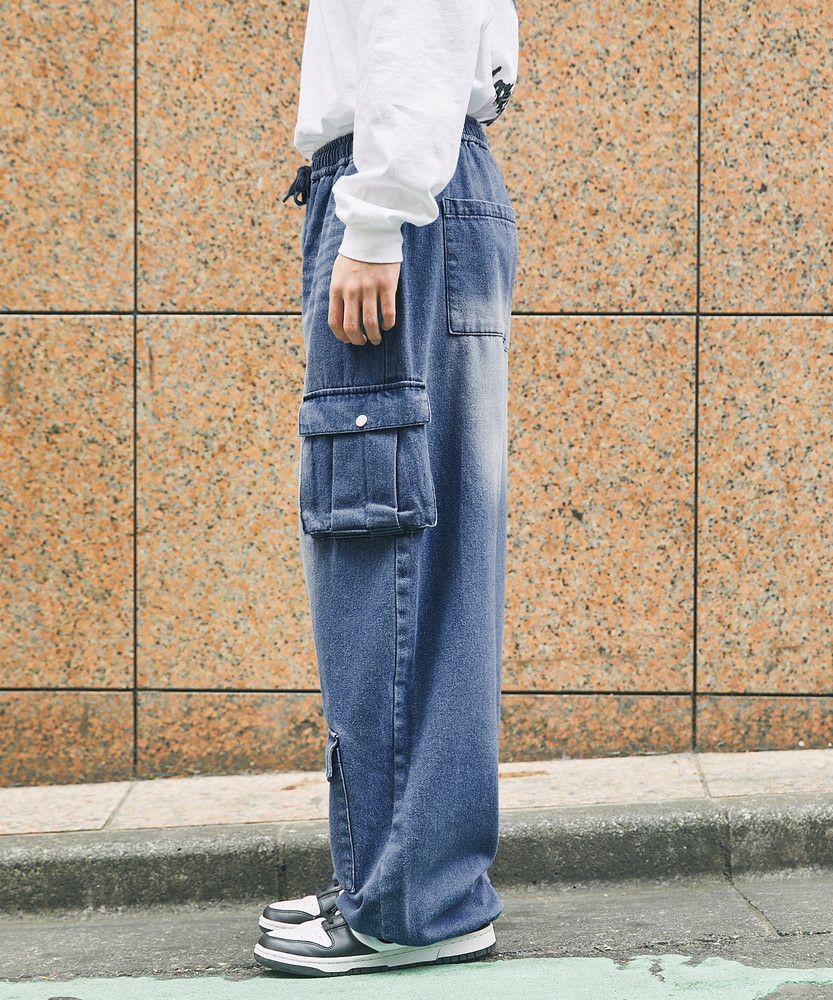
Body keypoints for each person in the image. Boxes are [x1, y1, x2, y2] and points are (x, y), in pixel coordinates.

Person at [253, 0, 519, 977]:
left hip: (401, 201)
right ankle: (405, 882)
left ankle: (410, 903)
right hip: (428, 190)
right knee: (428, 555)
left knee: (386, 548)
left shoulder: (385, 210)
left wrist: (372, 220)